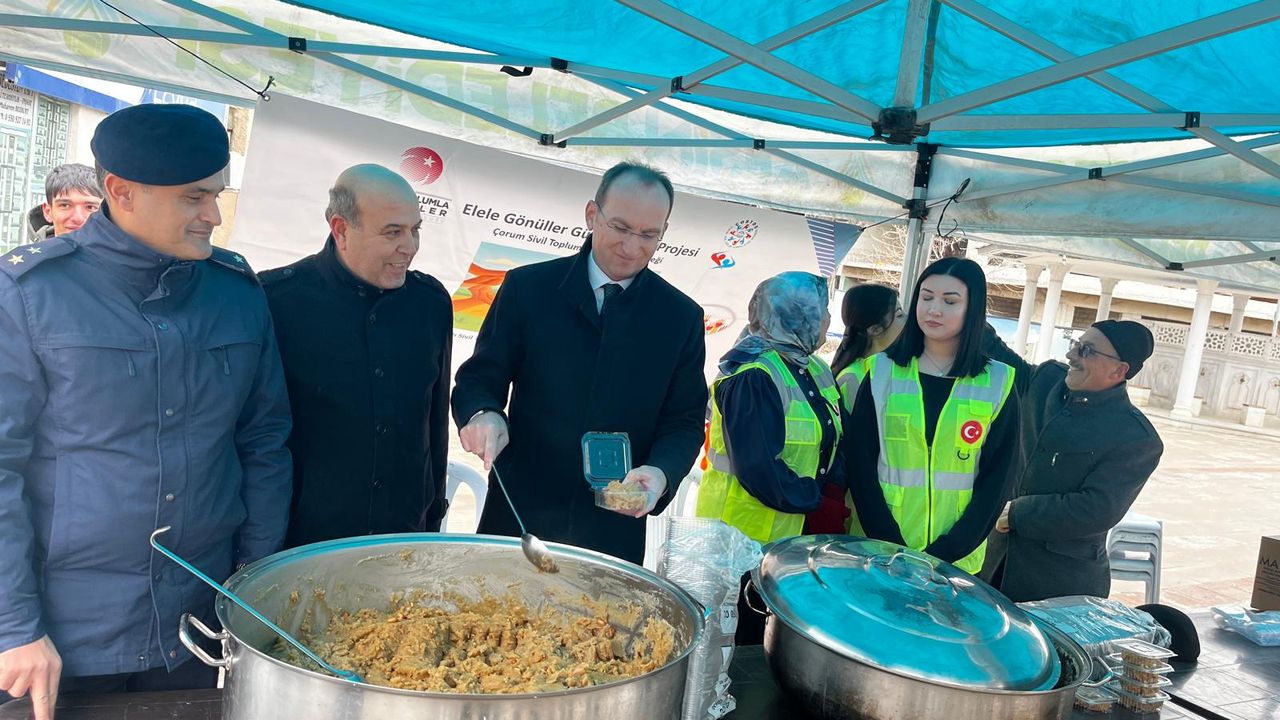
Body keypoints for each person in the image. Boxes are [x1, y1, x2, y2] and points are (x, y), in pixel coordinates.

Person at [0, 104, 292, 717]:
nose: (213, 215)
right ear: (121, 191)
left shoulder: (236, 292)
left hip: (198, 624)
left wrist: (249, 586)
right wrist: (14, 625)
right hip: (63, 636)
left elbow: (264, 442)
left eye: (216, 194)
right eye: (193, 198)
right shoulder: (28, 294)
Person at [451, 162, 707, 565]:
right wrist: (483, 413)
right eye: (620, 228)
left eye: (648, 235)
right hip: (520, 512)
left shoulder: (680, 317)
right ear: (592, 215)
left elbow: (684, 421)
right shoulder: (529, 288)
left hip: (614, 528)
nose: (631, 247)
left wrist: (660, 473)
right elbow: (479, 379)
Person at [261, 165, 453, 546]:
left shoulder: (430, 303)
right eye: (393, 232)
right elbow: (256, 436)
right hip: (302, 544)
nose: (410, 246)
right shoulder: (276, 301)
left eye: (415, 230)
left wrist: (431, 521)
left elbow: (434, 427)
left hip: (401, 539)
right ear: (341, 229)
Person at [841, 257, 1018, 575]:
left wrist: (947, 551)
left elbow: (999, 478)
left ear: (972, 308)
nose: (934, 310)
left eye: (950, 301)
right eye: (926, 298)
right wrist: (891, 544)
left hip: (955, 562)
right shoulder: (881, 371)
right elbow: (861, 463)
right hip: (880, 551)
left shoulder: (998, 381)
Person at [696, 271, 844, 643]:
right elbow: (758, 467)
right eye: (822, 310)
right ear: (798, 316)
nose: (828, 319)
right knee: (734, 643)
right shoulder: (753, 374)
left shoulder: (814, 369)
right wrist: (815, 500)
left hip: (784, 538)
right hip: (739, 540)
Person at [981, 320, 1163, 602]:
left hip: (1059, 587)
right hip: (994, 565)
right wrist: (967, 308)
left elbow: (1096, 508)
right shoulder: (1047, 382)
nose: (1071, 355)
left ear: (1119, 370)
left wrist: (1018, 513)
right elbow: (995, 353)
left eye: (1086, 350)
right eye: (1076, 344)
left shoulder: (1136, 437)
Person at [831, 282, 904, 535]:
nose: (907, 321)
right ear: (874, 329)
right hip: (861, 506)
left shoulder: (891, 372)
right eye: (899, 315)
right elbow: (855, 454)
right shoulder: (853, 378)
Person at [26, 164, 103, 242]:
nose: (78, 218)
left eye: (90, 207)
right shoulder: (29, 251)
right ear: (48, 212)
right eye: (65, 205)